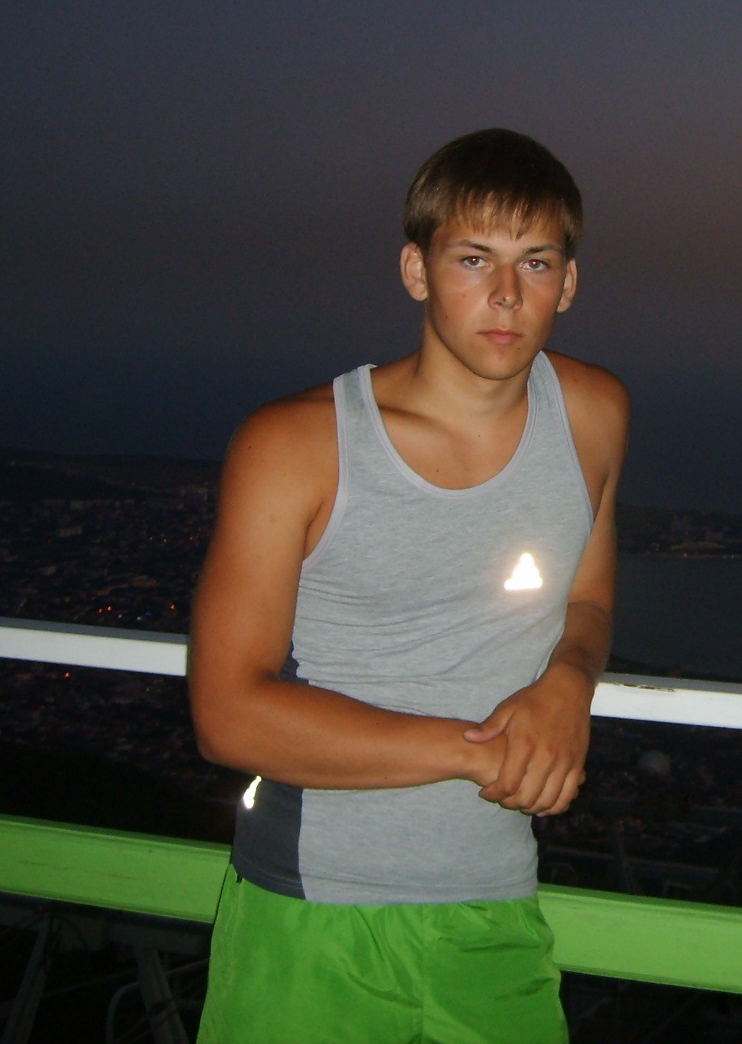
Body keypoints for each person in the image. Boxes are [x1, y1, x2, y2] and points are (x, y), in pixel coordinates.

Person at [188, 128, 628, 1043]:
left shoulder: (592, 414)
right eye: (473, 259)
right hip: (310, 910)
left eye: (535, 262)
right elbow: (228, 714)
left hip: (494, 906)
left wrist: (568, 682)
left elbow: (586, 599)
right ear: (416, 271)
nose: (506, 294)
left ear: (568, 284)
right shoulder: (297, 445)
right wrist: (478, 753)